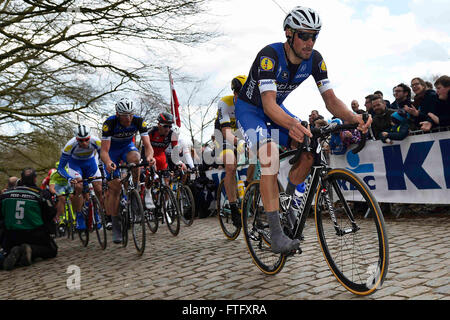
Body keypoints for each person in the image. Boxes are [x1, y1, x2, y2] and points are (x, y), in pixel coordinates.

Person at [234, 6, 370, 254]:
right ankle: (275, 233)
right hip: (251, 110)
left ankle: (285, 201)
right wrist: (292, 124)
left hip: (277, 108)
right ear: (289, 34)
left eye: (314, 36)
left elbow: (330, 100)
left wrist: (353, 117)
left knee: (310, 148)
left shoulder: (315, 60)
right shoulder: (269, 56)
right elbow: (268, 104)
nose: (310, 42)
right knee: (270, 155)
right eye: (304, 36)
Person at [101, 98, 155, 244]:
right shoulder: (109, 124)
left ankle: (135, 190)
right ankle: (116, 224)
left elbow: (148, 145)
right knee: (115, 188)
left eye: (131, 114)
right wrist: (108, 162)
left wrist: (150, 157)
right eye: (125, 115)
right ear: (118, 114)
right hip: (112, 152)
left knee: (136, 159)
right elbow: (104, 151)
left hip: (127, 148)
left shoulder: (139, 121)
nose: (129, 118)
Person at [0, 168, 57, 271]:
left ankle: (12, 252)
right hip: (34, 233)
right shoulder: (41, 193)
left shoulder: (5, 195)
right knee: (51, 250)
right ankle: (30, 250)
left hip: (11, 235)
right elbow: (51, 213)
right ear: (35, 179)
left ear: (21, 179)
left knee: (6, 249)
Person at [213, 75, 248, 227]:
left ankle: (253, 188)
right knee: (231, 166)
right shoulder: (225, 103)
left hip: (240, 131)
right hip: (223, 133)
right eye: (240, 94)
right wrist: (238, 142)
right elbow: (226, 133)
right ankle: (233, 206)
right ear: (234, 93)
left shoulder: (250, 103)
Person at [57, 124, 104, 231]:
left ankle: (97, 213)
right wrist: (69, 178)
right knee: (78, 186)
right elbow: (60, 168)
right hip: (75, 165)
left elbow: (104, 156)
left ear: (90, 137)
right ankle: (79, 216)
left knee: (99, 188)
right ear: (76, 139)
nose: (84, 143)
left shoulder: (96, 141)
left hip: (90, 164)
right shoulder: (70, 145)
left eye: (86, 140)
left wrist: (105, 170)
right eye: (80, 140)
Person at [49, 161, 73, 234]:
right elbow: (51, 188)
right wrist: (56, 194)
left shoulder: (69, 172)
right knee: (62, 198)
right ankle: (61, 218)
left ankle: (74, 215)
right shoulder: (54, 174)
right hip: (59, 186)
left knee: (72, 196)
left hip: (68, 185)